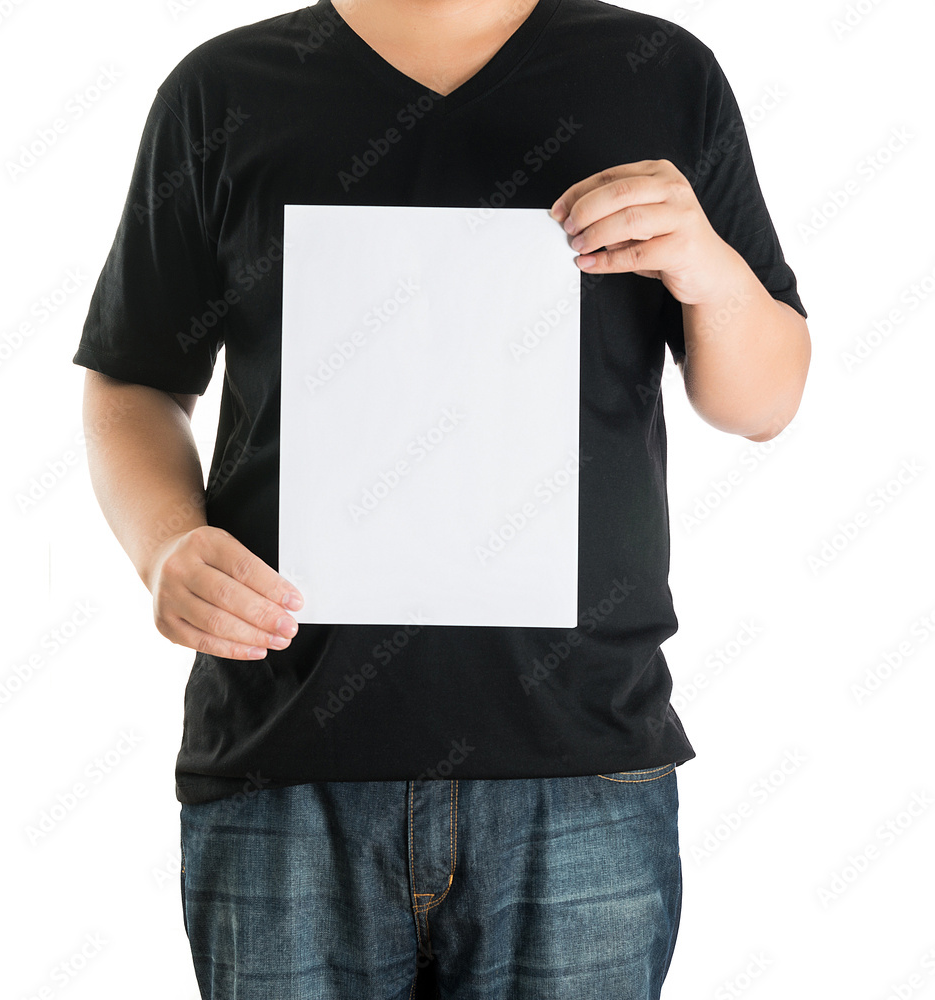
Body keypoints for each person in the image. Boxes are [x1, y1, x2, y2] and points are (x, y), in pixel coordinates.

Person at [73, 0, 810, 996]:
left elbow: (764, 402)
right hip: (283, 758)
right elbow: (133, 376)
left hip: (580, 758)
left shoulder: (661, 74)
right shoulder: (224, 90)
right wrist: (166, 545)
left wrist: (709, 272)